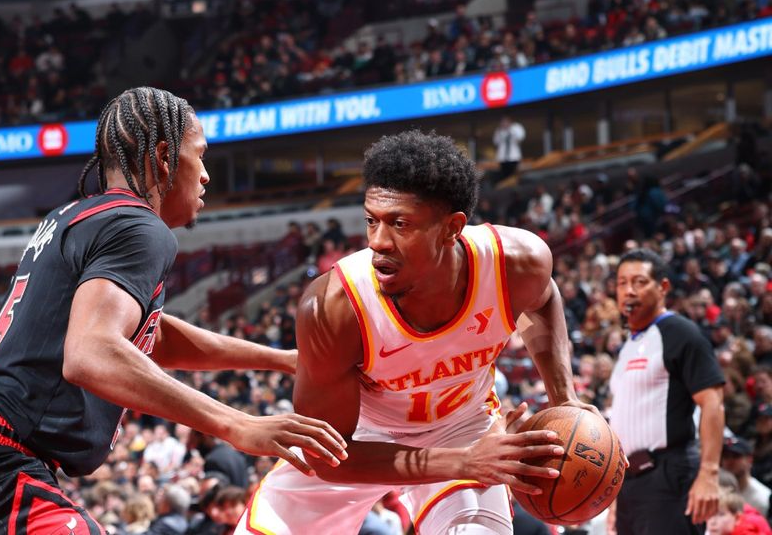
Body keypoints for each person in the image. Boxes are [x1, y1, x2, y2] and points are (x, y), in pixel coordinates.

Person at [0, 87, 347, 533]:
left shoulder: (76, 215)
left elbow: (153, 336)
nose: (206, 175)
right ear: (166, 156)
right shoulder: (139, 226)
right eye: (200, 156)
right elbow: (90, 352)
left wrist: (283, 360)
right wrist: (237, 424)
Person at [236, 130, 596, 534]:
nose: (378, 242)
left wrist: (564, 395)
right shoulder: (334, 307)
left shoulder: (516, 264)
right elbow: (327, 457)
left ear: (452, 227)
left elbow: (540, 303)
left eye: (400, 224)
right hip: (360, 436)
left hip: (462, 424)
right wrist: (463, 461)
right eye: (371, 221)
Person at [610, 248, 725, 534]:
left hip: (668, 476)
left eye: (639, 282)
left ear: (663, 287)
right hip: (629, 483)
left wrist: (709, 474)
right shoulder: (629, 344)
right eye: (622, 283)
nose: (629, 291)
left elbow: (713, 403)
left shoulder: (680, 332)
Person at [492, 115, 526, 181]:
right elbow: (495, 142)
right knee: (504, 176)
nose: (504, 123)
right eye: (503, 122)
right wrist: (501, 131)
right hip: (503, 158)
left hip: (514, 157)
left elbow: (520, 138)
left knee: (514, 175)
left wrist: (510, 130)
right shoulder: (499, 130)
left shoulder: (516, 128)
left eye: (506, 121)